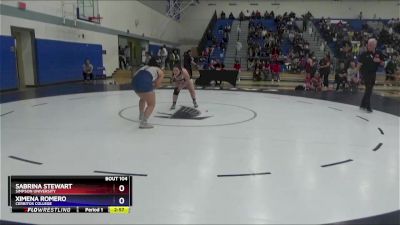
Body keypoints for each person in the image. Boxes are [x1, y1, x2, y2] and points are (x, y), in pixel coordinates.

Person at [131, 58, 165, 129]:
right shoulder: (159, 70)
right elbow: (158, 84)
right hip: (144, 82)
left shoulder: (144, 67)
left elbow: (135, 75)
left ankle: (141, 115)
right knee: (151, 104)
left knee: (142, 98)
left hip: (134, 83)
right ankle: (143, 122)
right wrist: (152, 87)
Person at [357, 38, 384, 113]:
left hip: (373, 73)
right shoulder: (364, 54)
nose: (369, 46)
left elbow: (383, 63)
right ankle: (368, 107)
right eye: (368, 44)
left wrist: (379, 61)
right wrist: (357, 76)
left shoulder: (379, 52)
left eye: (371, 45)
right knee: (368, 88)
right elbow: (359, 65)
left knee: (369, 90)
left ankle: (362, 104)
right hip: (365, 73)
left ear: (375, 45)